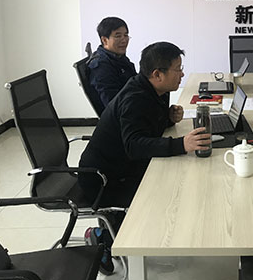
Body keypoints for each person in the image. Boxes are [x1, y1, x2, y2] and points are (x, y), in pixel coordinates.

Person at [79, 41, 210, 274]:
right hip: (103, 179)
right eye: (177, 69)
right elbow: (134, 145)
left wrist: (168, 118)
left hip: (122, 166)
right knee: (168, 191)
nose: (182, 74)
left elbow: (145, 127)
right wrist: (181, 144)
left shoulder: (155, 91)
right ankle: (103, 237)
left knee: (176, 178)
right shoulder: (135, 98)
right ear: (157, 74)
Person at [88, 16, 137, 110]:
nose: (124, 40)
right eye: (118, 36)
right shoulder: (101, 67)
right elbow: (113, 104)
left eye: (126, 35)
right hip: (123, 113)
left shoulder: (118, 57)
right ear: (104, 40)